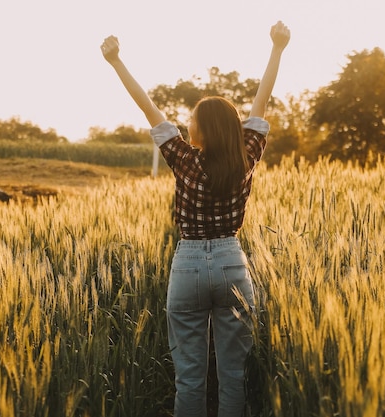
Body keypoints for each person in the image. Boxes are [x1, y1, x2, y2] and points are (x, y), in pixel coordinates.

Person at [101, 21, 290, 417]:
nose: (188, 123)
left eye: (193, 120)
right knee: (233, 375)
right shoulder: (246, 156)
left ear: (200, 129)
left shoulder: (183, 158)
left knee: (189, 377)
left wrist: (116, 62)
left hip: (187, 265)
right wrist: (277, 49)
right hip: (231, 264)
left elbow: (147, 106)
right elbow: (262, 100)